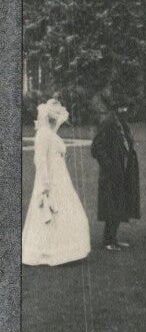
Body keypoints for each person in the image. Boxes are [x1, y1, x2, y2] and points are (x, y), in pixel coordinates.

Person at [22, 98, 91, 266]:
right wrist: (45, 186)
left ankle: (70, 251)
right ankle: (48, 251)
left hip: (60, 177)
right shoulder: (43, 135)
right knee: (49, 213)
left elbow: (58, 124)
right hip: (50, 179)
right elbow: (40, 161)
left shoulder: (50, 133)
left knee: (67, 211)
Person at [90, 97, 140, 251]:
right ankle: (107, 240)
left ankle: (114, 238)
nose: (125, 110)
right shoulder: (109, 123)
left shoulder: (121, 123)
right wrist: (109, 165)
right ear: (115, 108)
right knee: (111, 205)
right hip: (112, 173)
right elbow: (96, 148)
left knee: (120, 204)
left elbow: (127, 144)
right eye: (122, 107)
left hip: (123, 170)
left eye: (126, 107)